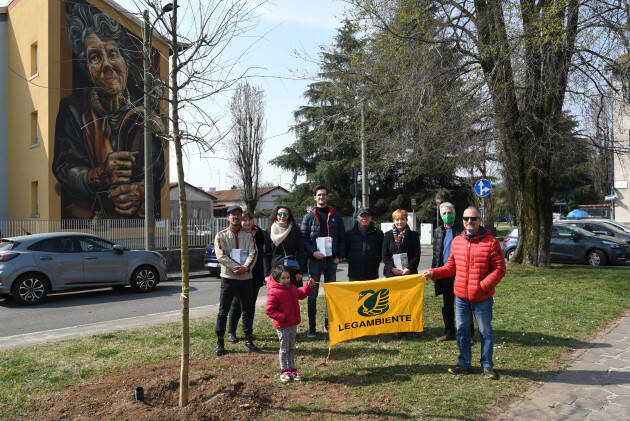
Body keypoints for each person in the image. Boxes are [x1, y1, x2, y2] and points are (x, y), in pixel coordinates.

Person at [54, 2, 165, 218]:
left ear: (124, 59)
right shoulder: (73, 110)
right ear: (88, 69)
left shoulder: (143, 112)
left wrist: (139, 191)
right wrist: (98, 175)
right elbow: (64, 167)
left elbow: (156, 168)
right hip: (90, 223)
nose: (106, 64)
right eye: (95, 57)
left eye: (113, 54)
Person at [424, 206, 506, 380]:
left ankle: (487, 365)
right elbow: (450, 267)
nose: (469, 221)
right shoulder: (457, 241)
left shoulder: (490, 242)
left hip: (482, 298)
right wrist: (433, 273)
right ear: (462, 221)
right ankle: (464, 363)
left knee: (485, 332)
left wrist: (483, 285)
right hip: (461, 297)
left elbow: (499, 268)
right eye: (466, 218)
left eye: (473, 218)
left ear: (479, 220)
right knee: (462, 331)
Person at [213, 205, 261, 356]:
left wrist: (245, 268)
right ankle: (220, 342)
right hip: (228, 278)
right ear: (228, 217)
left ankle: (248, 339)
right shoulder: (221, 235)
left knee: (247, 309)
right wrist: (236, 268)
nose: (236, 217)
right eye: (233, 215)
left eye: (238, 214)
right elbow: (221, 255)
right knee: (223, 311)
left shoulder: (248, 236)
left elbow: (254, 252)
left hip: (246, 278)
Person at [301, 185, 345, 337]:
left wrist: (339, 256)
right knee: (312, 294)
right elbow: (304, 238)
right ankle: (312, 328)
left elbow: (341, 238)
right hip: (314, 261)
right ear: (315, 197)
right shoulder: (308, 216)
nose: (321, 197)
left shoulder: (336, 216)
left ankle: (329, 325)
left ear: (327, 197)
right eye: (319, 195)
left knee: (330, 294)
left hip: (331, 261)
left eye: (324, 195)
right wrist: (313, 252)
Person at [265, 265, 315, 383]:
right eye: (283, 278)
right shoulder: (274, 292)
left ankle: (292, 369)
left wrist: (309, 286)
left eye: (288, 278)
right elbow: (269, 310)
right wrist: (282, 317)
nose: (286, 280)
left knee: (291, 347)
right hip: (282, 326)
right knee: (284, 348)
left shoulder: (291, 288)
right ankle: (284, 370)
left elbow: (301, 294)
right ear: (277, 279)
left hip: (292, 323)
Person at [226, 212, 265, 344]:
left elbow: (263, 253)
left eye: (249, 220)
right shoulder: (237, 234)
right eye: (244, 220)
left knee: (250, 305)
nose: (247, 223)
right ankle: (231, 332)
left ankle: (248, 331)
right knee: (236, 304)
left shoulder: (259, 233)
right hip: (240, 273)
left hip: (255, 274)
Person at [382, 208, 421, 339]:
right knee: (396, 302)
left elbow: (416, 255)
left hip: (409, 273)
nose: (400, 222)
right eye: (397, 219)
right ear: (394, 220)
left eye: (402, 219)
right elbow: (385, 255)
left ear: (406, 220)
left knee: (411, 301)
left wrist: (409, 268)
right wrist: (392, 268)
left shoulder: (414, 235)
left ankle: (414, 327)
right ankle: (399, 328)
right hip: (393, 274)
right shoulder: (387, 235)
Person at [431, 202, 467, 342]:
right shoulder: (438, 231)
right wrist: (434, 272)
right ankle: (449, 332)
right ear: (440, 215)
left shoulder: (462, 229)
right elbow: (436, 254)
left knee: (463, 305)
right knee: (447, 305)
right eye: (444, 213)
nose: (447, 215)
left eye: (449, 213)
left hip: (460, 273)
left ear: (455, 214)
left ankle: (466, 334)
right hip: (444, 273)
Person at [263, 205, 307, 287]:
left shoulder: (295, 231)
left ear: (289, 216)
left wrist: (300, 272)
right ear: (276, 215)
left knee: (292, 297)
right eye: (280, 214)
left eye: (285, 214)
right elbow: (266, 254)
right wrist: (266, 274)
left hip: (292, 269)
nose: (282, 216)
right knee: (276, 296)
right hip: (275, 270)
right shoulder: (269, 231)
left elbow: (301, 252)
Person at [345, 207, 384, 281]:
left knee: (371, 292)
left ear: (371, 218)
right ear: (357, 218)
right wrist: (352, 259)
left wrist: (375, 260)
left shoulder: (378, 233)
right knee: (354, 292)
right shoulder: (349, 233)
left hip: (372, 273)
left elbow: (381, 251)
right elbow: (346, 251)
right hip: (354, 273)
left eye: (367, 216)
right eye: (362, 216)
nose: (364, 218)